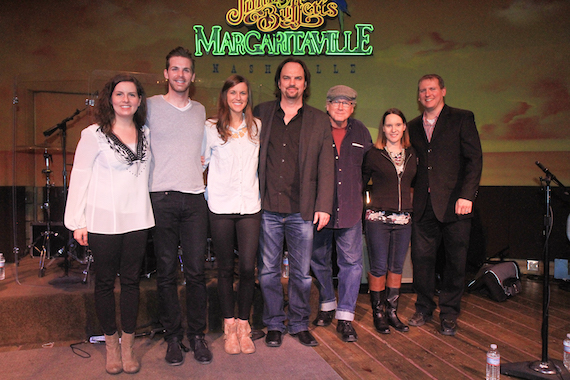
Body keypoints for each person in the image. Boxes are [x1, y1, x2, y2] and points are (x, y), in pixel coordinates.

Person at [64, 73, 153, 375]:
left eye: (132, 94)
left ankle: (127, 346)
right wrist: (77, 221)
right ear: (109, 99)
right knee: (104, 283)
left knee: (131, 283)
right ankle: (111, 345)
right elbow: (80, 177)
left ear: (140, 101)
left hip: (137, 219)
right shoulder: (94, 135)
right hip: (104, 220)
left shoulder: (146, 133)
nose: (126, 99)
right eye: (120, 94)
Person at [254, 57, 334, 348]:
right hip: (267, 209)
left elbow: (327, 166)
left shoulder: (318, 119)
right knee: (268, 272)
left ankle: (299, 323)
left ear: (305, 84)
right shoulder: (261, 113)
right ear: (279, 83)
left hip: (303, 210)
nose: (292, 83)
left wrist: (323, 204)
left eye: (297, 78)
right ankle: (274, 323)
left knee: (301, 275)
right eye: (286, 78)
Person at [147, 47, 212, 365]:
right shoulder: (148, 107)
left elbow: (205, 150)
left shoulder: (200, 111)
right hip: (161, 199)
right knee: (166, 273)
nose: (180, 75)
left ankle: (197, 335)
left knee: (197, 272)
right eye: (175, 69)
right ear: (166, 74)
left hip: (195, 199)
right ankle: (173, 337)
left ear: (193, 76)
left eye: (186, 70)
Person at [407, 74, 482, 336]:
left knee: (455, 262)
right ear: (418, 96)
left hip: (455, 204)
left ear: (443, 91)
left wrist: (467, 196)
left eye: (432, 89)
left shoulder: (462, 118)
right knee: (422, 260)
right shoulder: (412, 126)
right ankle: (424, 308)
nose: (427, 93)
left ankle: (449, 313)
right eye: (423, 90)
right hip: (423, 205)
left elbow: (474, 160)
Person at [202, 74, 261, 355]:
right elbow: (200, 162)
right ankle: (229, 328)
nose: (238, 97)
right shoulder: (210, 128)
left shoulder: (257, 127)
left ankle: (244, 325)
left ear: (248, 97)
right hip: (221, 208)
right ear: (225, 96)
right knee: (225, 269)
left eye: (243, 93)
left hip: (250, 206)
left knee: (248, 268)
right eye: (233, 92)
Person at [310, 85, 372, 342]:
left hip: (349, 210)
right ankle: (327, 304)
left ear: (352, 108)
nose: (340, 107)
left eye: (346, 103)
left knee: (352, 264)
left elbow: (367, 168)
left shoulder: (361, 132)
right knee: (318, 261)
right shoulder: (315, 129)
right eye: (336, 102)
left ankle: (345, 316)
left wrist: (354, 191)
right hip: (319, 210)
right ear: (327, 105)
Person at [362, 108, 417, 334]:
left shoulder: (413, 154)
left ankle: (392, 312)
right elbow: (361, 183)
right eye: (388, 125)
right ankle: (378, 313)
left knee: (396, 267)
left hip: (404, 220)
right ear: (383, 129)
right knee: (378, 267)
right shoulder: (374, 154)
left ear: (404, 127)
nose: (393, 129)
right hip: (377, 219)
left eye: (397, 125)